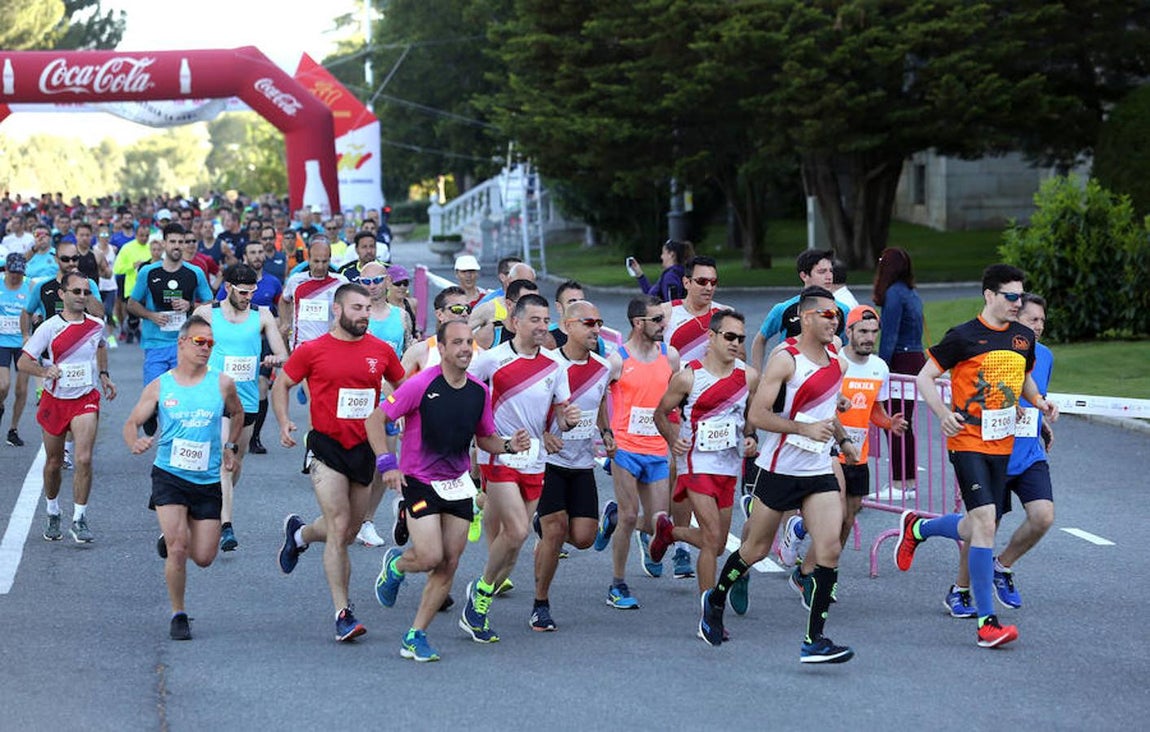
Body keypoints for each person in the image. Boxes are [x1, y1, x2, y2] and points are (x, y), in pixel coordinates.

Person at [896, 264, 1057, 649]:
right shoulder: (963, 337)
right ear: (989, 295)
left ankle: (918, 528)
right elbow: (924, 377)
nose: (1018, 304)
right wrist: (943, 414)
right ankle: (987, 622)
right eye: (1011, 297)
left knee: (975, 525)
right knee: (986, 522)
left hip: (1002, 444)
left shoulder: (1022, 337)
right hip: (967, 440)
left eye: (1021, 296)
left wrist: (1037, 401)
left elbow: (1025, 376)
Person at [698, 286, 859, 664]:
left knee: (829, 548)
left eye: (837, 316)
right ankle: (715, 600)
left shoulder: (838, 358)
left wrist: (843, 438)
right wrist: (803, 430)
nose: (835, 321)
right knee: (754, 549)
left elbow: (826, 410)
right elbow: (757, 415)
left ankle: (814, 640)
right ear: (806, 317)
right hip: (780, 467)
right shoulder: (785, 359)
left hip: (818, 468)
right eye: (828, 315)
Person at [369, 319, 530, 661]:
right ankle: (397, 566)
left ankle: (415, 635)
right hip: (419, 479)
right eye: (456, 342)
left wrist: (510, 446)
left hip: (458, 485)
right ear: (440, 349)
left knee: (449, 563)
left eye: (468, 342)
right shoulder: (420, 385)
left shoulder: (478, 391)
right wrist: (386, 463)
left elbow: (484, 438)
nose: (464, 349)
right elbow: (375, 419)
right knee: (429, 555)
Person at [272, 283, 405, 642]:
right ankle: (343, 612)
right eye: (357, 308)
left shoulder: (380, 351)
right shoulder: (313, 350)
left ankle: (299, 534)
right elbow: (281, 384)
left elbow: (403, 387)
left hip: (362, 448)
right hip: (326, 446)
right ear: (337, 310)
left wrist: (399, 411)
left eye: (367, 308)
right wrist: (284, 421)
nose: (364, 314)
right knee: (340, 522)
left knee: (346, 531)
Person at [458, 292, 581, 643]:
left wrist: (567, 421)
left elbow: (561, 417)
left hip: (534, 458)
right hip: (498, 455)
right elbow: (465, 393)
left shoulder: (556, 366)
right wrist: (468, 441)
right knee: (517, 532)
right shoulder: (491, 361)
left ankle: (480, 595)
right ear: (515, 322)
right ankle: (480, 597)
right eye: (535, 320)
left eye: (546, 321)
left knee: (511, 546)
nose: (543, 327)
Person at [123, 315, 244, 640]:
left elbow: (238, 412)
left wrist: (231, 446)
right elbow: (132, 422)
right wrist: (135, 441)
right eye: (199, 342)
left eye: (210, 344)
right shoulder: (162, 385)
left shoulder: (222, 383)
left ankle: (175, 534)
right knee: (178, 549)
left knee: (204, 557)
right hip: (169, 475)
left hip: (206, 481)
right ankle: (179, 613)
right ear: (182, 343)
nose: (206, 348)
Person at [942, 292, 1057, 618]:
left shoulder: (1043, 355)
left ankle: (1002, 566)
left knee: (1043, 516)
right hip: (992, 452)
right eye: (1031, 320)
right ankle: (959, 589)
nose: (1038, 327)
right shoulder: (990, 349)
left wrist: (1041, 422)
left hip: (1029, 455)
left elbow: (1034, 394)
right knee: (981, 528)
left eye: (1042, 321)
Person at [783, 305, 907, 599]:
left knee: (849, 519)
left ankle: (818, 569)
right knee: (834, 513)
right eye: (862, 331)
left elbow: (874, 408)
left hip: (858, 455)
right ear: (848, 331)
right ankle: (810, 569)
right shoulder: (835, 363)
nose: (868, 338)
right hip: (830, 451)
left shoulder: (880, 367)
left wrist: (889, 423)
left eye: (873, 332)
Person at [651, 309, 758, 599]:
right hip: (695, 464)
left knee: (719, 544)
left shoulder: (749, 377)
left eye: (741, 338)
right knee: (711, 537)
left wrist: (750, 437)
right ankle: (709, 611)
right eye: (729, 336)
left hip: (728, 466)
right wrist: (674, 439)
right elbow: (661, 413)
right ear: (711, 337)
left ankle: (670, 533)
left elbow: (753, 414)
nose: (736, 343)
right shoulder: (688, 377)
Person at [531, 300, 615, 630]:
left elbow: (600, 402)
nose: (596, 329)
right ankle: (540, 603)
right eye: (588, 323)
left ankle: (544, 527)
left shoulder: (603, 367)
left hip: (581, 463)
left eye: (599, 322)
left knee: (582, 537)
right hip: (549, 460)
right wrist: (542, 434)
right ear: (568, 326)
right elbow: (528, 408)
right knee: (555, 531)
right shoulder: (548, 365)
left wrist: (606, 432)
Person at [193, 264, 288, 553]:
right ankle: (225, 526)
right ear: (229, 287)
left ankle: (217, 501)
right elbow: (185, 349)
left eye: (252, 292)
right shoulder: (207, 314)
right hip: (217, 398)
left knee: (236, 461)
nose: (249, 297)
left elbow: (283, 353)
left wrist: (274, 359)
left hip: (247, 402)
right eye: (244, 292)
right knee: (226, 457)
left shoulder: (262, 315)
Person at [19, 271, 116, 543]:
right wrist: (44, 370)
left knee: (83, 458)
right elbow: (23, 362)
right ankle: (52, 511)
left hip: (85, 398)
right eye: (77, 292)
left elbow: (101, 347)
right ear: (62, 295)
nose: (82, 296)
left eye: (86, 292)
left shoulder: (96, 324)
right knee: (54, 463)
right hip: (55, 400)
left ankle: (79, 518)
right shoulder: (49, 327)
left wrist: (105, 376)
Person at [601, 295, 681, 606]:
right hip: (625, 448)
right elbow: (597, 398)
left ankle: (611, 517)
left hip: (657, 449)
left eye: (664, 318)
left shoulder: (669, 356)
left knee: (658, 523)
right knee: (630, 515)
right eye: (658, 320)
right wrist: (607, 433)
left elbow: (674, 402)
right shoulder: (618, 360)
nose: (664, 324)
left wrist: (677, 436)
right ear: (638, 323)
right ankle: (617, 585)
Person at [127, 224, 213, 432]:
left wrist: (190, 306)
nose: (176, 246)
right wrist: (150, 315)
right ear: (164, 243)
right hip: (155, 344)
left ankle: (175, 440)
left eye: (180, 242)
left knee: (181, 398)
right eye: (172, 242)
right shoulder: (148, 272)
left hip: (185, 345)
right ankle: (152, 410)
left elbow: (211, 305)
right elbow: (132, 303)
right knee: (154, 392)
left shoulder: (195, 273)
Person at [355, 260, 411, 547]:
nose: (372, 287)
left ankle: (367, 521)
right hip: (358, 400)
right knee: (355, 463)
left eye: (376, 280)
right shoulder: (357, 317)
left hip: (389, 402)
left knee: (383, 463)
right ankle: (350, 516)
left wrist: (408, 400)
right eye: (365, 283)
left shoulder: (401, 317)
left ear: (387, 281)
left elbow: (409, 357)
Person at [873, 247, 926, 495]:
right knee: (905, 421)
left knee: (893, 421)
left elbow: (889, 335)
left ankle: (898, 482)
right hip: (915, 358)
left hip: (900, 359)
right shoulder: (911, 293)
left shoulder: (894, 294)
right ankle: (908, 481)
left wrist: (880, 367)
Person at [750, 249, 847, 370]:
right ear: (804, 276)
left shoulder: (843, 310)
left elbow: (847, 348)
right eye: (822, 272)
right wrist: (757, 374)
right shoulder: (784, 309)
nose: (829, 277)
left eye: (831, 271)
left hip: (825, 380)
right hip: (790, 376)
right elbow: (760, 340)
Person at [279, 236, 347, 351]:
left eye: (324, 261)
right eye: (316, 261)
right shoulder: (296, 280)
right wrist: (285, 322)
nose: (320, 266)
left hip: (328, 347)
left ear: (330, 259)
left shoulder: (340, 282)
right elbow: (284, 300)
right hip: (300, 346)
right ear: (308, 259)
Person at [0, 253, 32, 446]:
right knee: (3, 386)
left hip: (23, 344)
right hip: (2, 342)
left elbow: (37, 309)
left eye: (19, 272)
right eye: (12, 272)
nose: (15, 276)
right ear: (6, 270)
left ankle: (13, 429)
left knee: (21, 390)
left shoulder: (30, 285)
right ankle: (1, 405)